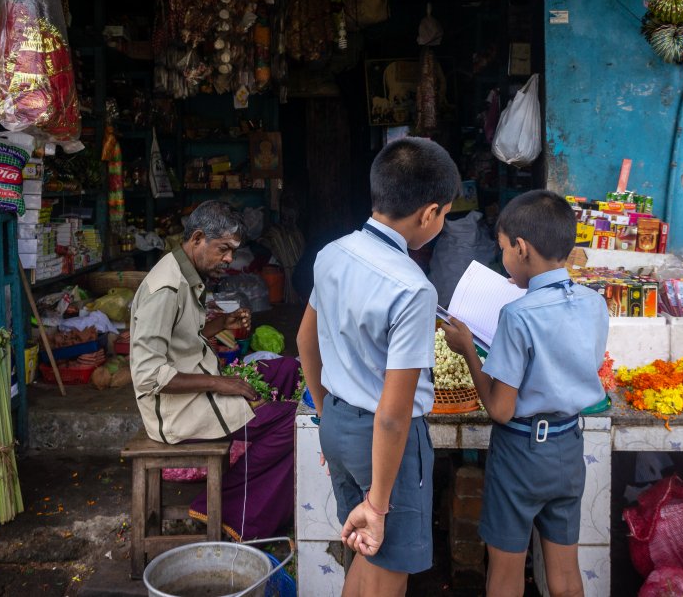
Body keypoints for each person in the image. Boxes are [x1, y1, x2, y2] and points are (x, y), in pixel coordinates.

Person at [296, 137, 460, 597]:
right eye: (445, 214)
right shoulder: (412, 287)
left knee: (366, 558)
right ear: (429, 214)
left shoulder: (331, 254)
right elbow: (392, 413)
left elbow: (305, 340)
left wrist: (330, 414)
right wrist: (381, 503)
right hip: (384, 445)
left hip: (340, 423)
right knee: (388, 575)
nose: (441, 222)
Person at [442, 190, 609, 597]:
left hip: (521, 453)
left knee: (505, 575)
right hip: (568, 447)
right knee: (566, 576)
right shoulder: (595, 302)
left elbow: (500, 409)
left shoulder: (517, 315)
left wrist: (468, 351)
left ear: (521, 247)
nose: (502, 260)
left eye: (502, 249)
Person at [129, 200, 297, 540]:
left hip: (196, 391)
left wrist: (221, 323)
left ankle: (247, 489)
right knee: (294, 420)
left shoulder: (184, 273)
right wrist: (221, 383)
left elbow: (181, 340)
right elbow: (148, 375)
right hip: (175, 414)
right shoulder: (166, 288)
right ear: (198, 239)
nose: (228, 260)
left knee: (287, 370)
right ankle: (225, 506)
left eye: (232, 251)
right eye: (223, 249)